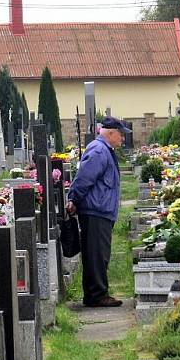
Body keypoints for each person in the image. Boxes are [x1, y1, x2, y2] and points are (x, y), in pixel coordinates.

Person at [66, 116, 130, 308]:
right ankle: (97, 295)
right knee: (97, 255)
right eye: (121, 135)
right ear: (110, 132)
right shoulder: (99, 150)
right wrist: (74, 199)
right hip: (96, 211)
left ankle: (96, 293)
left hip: (100, 210)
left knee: (98, 254)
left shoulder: (103, 150)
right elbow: (84, 178)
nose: (123, 139)